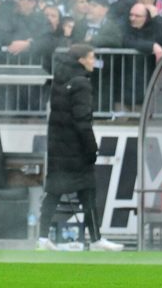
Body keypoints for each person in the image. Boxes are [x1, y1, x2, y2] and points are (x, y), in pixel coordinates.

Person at [37, 44, 124, 252]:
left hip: (59, 148)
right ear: (81, 60)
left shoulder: (60, 79)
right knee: (88, 193)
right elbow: (82, 120)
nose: (94, 61)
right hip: (75, 149)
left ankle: (41, 239)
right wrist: (92, 148)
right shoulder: (81, 84)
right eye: (91, 57)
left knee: (53, 193)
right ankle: (95, 240)